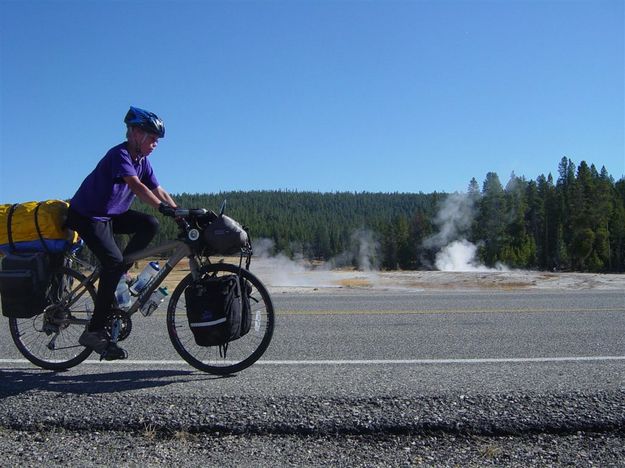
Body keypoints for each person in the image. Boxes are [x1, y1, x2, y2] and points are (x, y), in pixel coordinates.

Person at [67, 106, 178, 360]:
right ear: (135, 133)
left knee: (150, 224)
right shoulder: (120, 154)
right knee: (112, 262)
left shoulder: (143, 161)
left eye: (157, 140)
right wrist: (162, 207)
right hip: (87, 216)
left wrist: (178, 211)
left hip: (110, 215)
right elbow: (137, 187)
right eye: (152, 137)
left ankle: (121, 271)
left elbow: (158, 189)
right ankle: (93, 331)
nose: (155, 144)